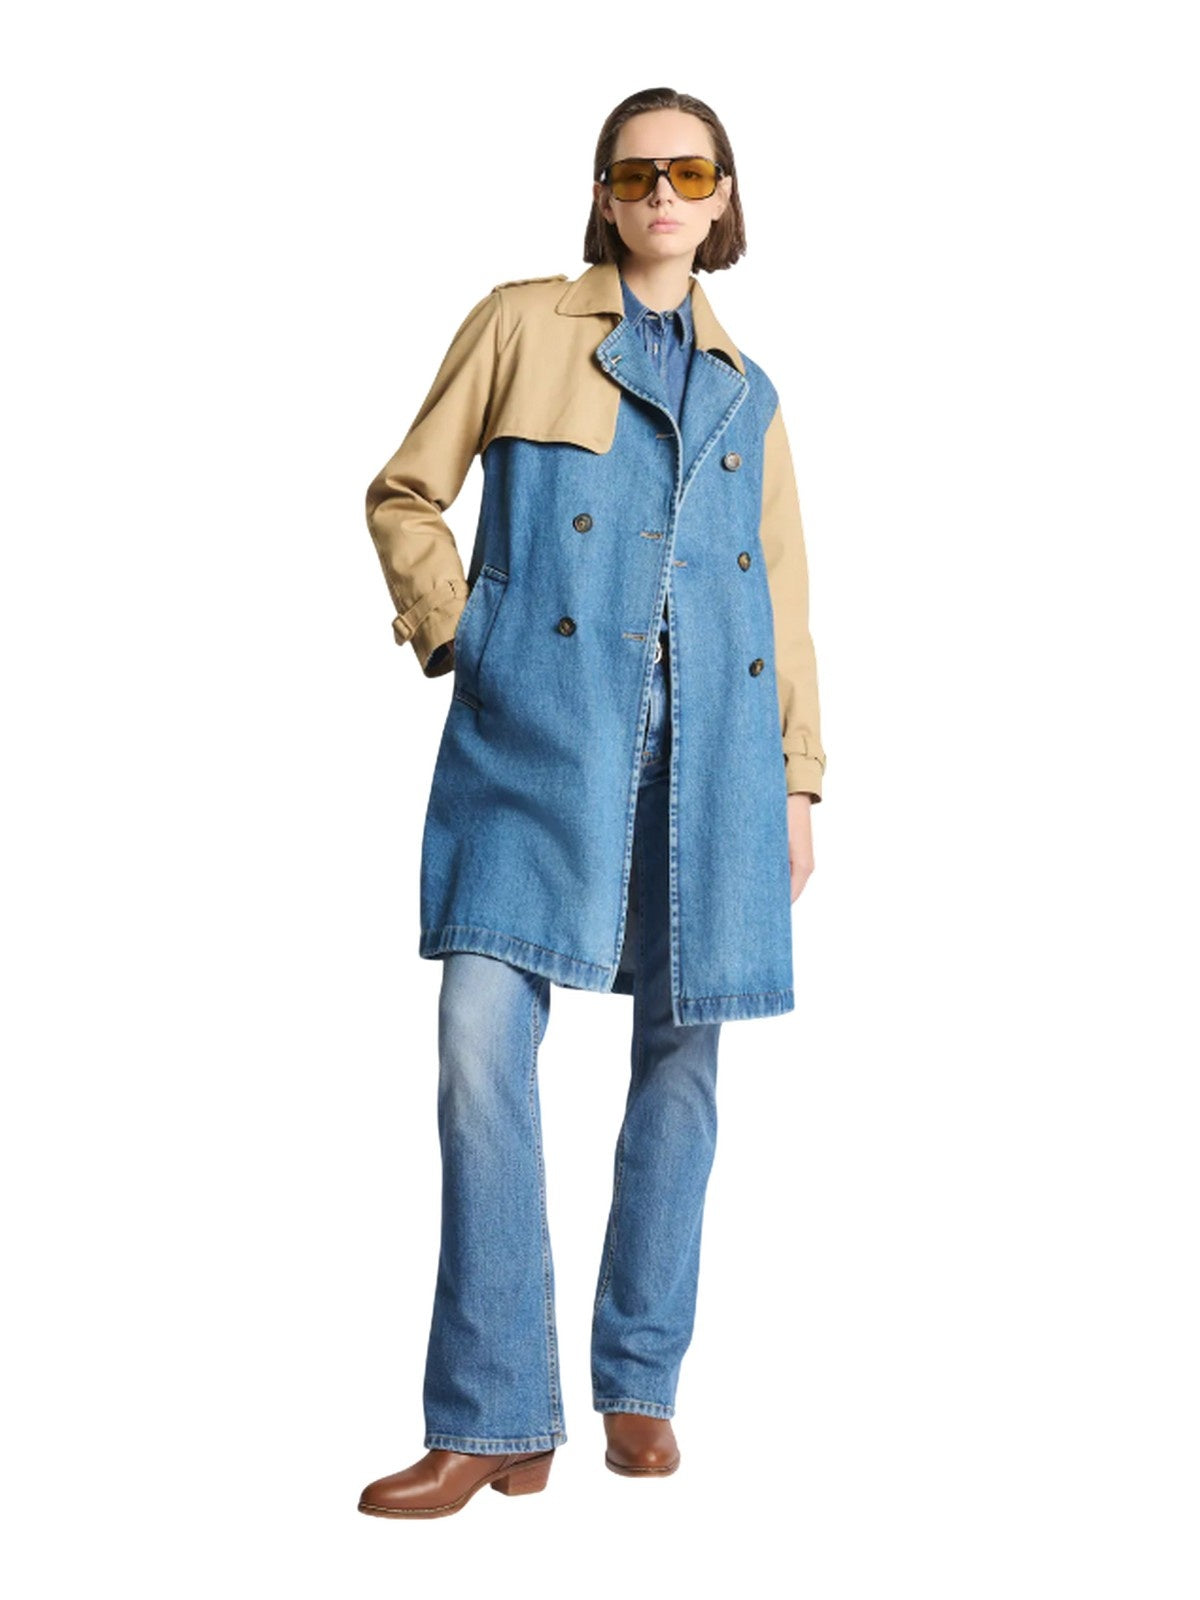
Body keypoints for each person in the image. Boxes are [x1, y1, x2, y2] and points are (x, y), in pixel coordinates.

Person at [357, 85, 826, 1519]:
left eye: (690, 171)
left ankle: (639, 1385)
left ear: (724, 196)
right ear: (605, 195)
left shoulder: (749, 391)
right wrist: (467, 635)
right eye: (637, 174)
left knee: (682, 1069)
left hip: (713, 763)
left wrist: (798, 780)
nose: (663, 194)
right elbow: (405, 494)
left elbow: (781, 602)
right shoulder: (519, 326)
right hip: (535, 745)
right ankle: (494, 1413)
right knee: (478, 1048)